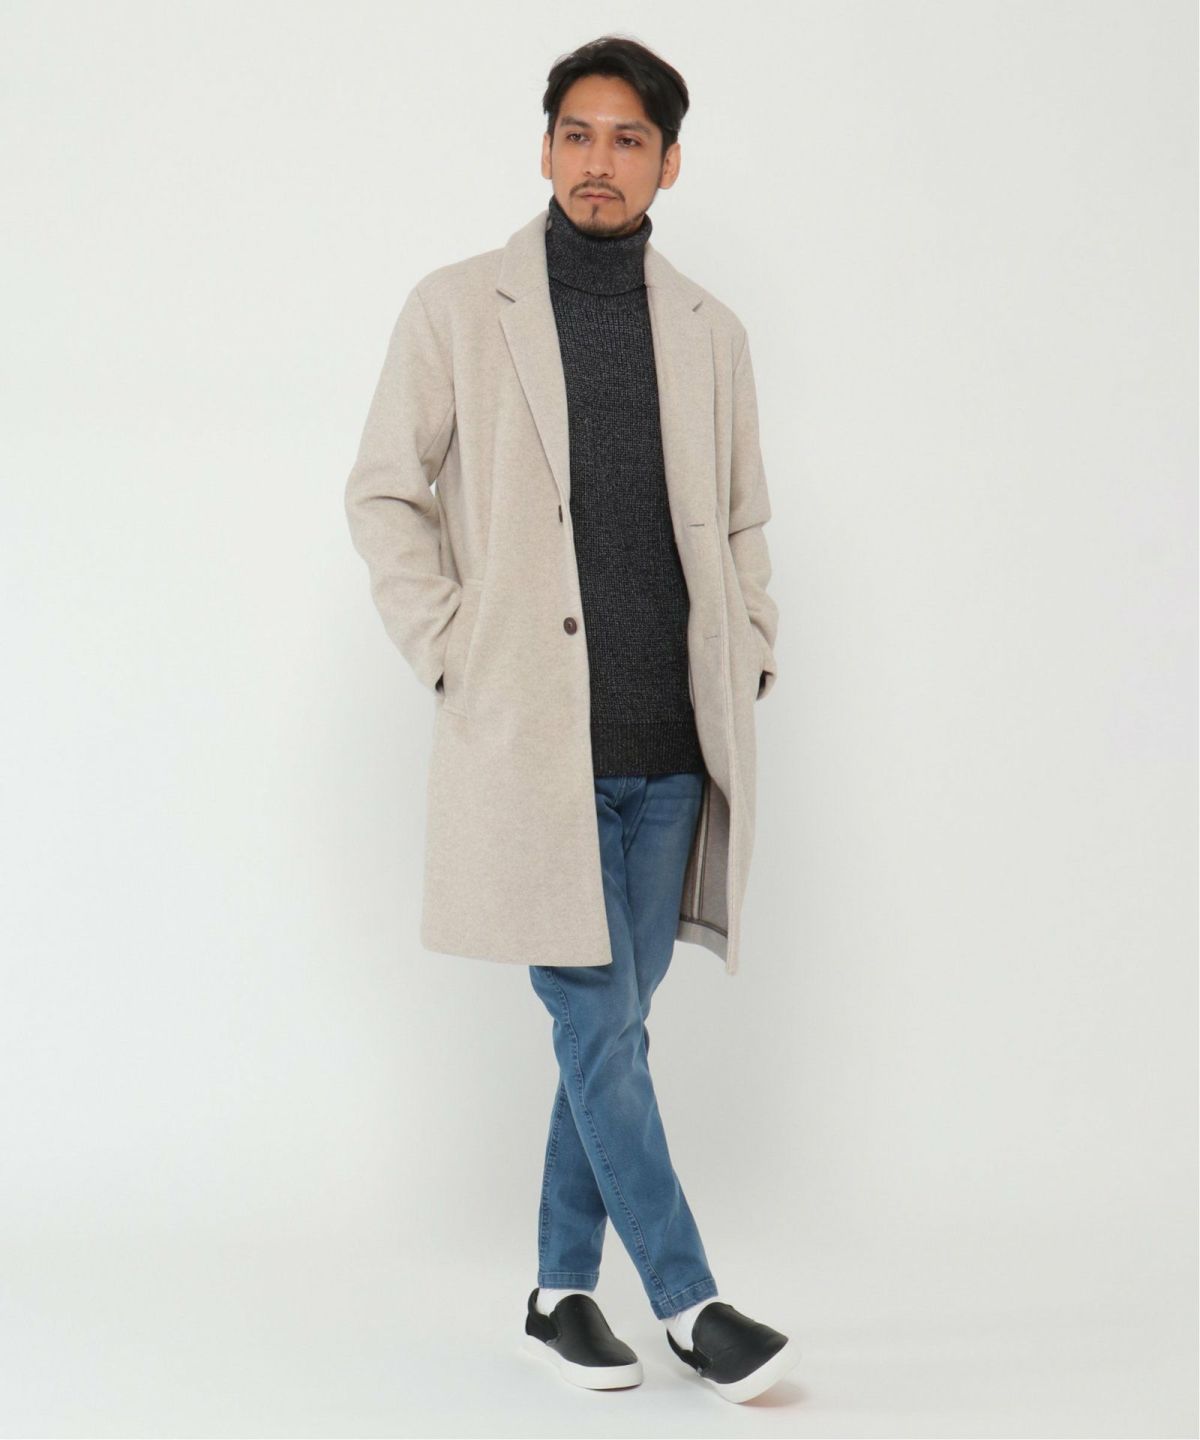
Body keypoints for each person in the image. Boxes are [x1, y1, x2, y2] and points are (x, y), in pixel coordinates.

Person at [344, 34, 795, 1404]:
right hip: (533, 751)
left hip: (673, 750)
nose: (602, 162)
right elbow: (384, 492)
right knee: (600, 1030)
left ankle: (555, 1292)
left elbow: (746, 519)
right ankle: (689, 1300)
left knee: (609, 1036)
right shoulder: (456, 308)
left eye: (630, 140)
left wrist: (750, 647)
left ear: (669, 163)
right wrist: (452, 652)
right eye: (580, 134)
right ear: (545, 147)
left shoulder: (712, 332)